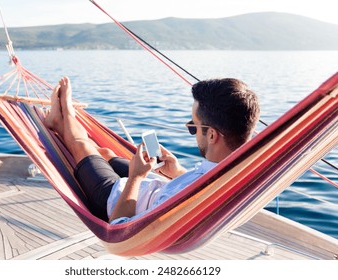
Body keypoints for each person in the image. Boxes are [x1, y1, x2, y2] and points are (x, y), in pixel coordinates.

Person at [45, 77, 260, 224]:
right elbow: (199, 185)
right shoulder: (237, 171)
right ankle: (59, 121)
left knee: (81, 146)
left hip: (115, 200)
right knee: (106, 154)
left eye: (193, 126)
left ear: (212, 135)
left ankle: (65, 113)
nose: (192, 131)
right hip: (155, 187)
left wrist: (135, 177)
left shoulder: (184, 198)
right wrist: (177, 173)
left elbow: (120, 225)